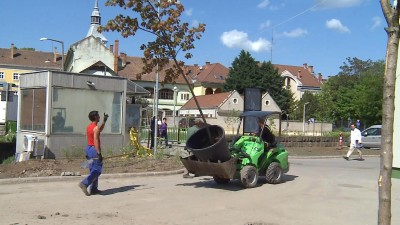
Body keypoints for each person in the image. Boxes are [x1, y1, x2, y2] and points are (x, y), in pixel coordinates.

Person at [79, 111, 108, 196]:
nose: (99, 117)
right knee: (97, 170)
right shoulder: (95, 128)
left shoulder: (89, 127)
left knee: (93, 169)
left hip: (88, 149)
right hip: (94, 149)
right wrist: (99, 153)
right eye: (98, 116)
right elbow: (96, 140)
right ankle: (84, 183)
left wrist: (104, 121)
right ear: (95, 117)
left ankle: (93, 189)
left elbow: (99, 130)